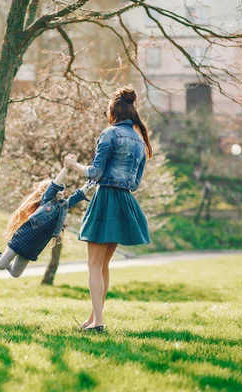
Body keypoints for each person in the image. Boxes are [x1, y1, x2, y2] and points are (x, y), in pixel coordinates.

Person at [65, 86, 152, 333]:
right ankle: (94, 319)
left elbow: (94, 172)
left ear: (113, 111)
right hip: (124, 202)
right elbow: (135, 183)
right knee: (103, 266)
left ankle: (98, 323)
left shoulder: (110, 134)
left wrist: (73, 165)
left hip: (105, 200)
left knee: (93, 264)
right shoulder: (139, 140)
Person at [0, 167, 93, 278]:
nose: (61, 191)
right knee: (1, 265)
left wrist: (89, 184)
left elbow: (78, 196)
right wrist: (66, 168)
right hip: (23, 237)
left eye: (62, 190)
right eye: (59, 190)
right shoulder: (47, 200)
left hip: (35, 246)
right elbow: (55, 184)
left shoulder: (63, 206)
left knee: (15, 273)